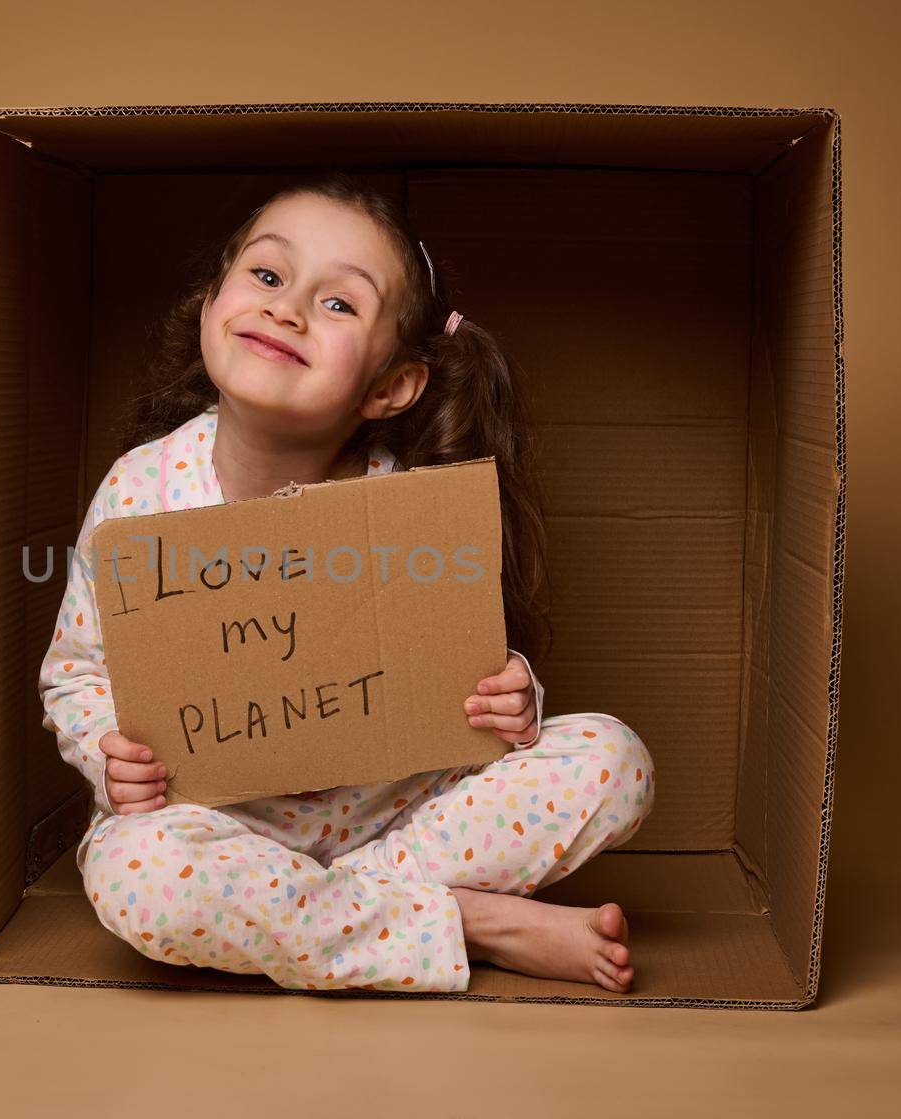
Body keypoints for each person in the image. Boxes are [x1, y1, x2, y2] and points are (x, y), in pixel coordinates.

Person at [37, 172, 656, 994]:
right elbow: (74, 670)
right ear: (210, 301)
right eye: (267, 275)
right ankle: (469, 922)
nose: (287, 309)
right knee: (144, 879)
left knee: (617, 761)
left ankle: (355, 905)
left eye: (339, 305)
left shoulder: (406, 501)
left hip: (399, 818)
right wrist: (110, 753)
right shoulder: (138, 492)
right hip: (214, 827)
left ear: (388, 387)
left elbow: (469, 672)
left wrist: (514, 698)